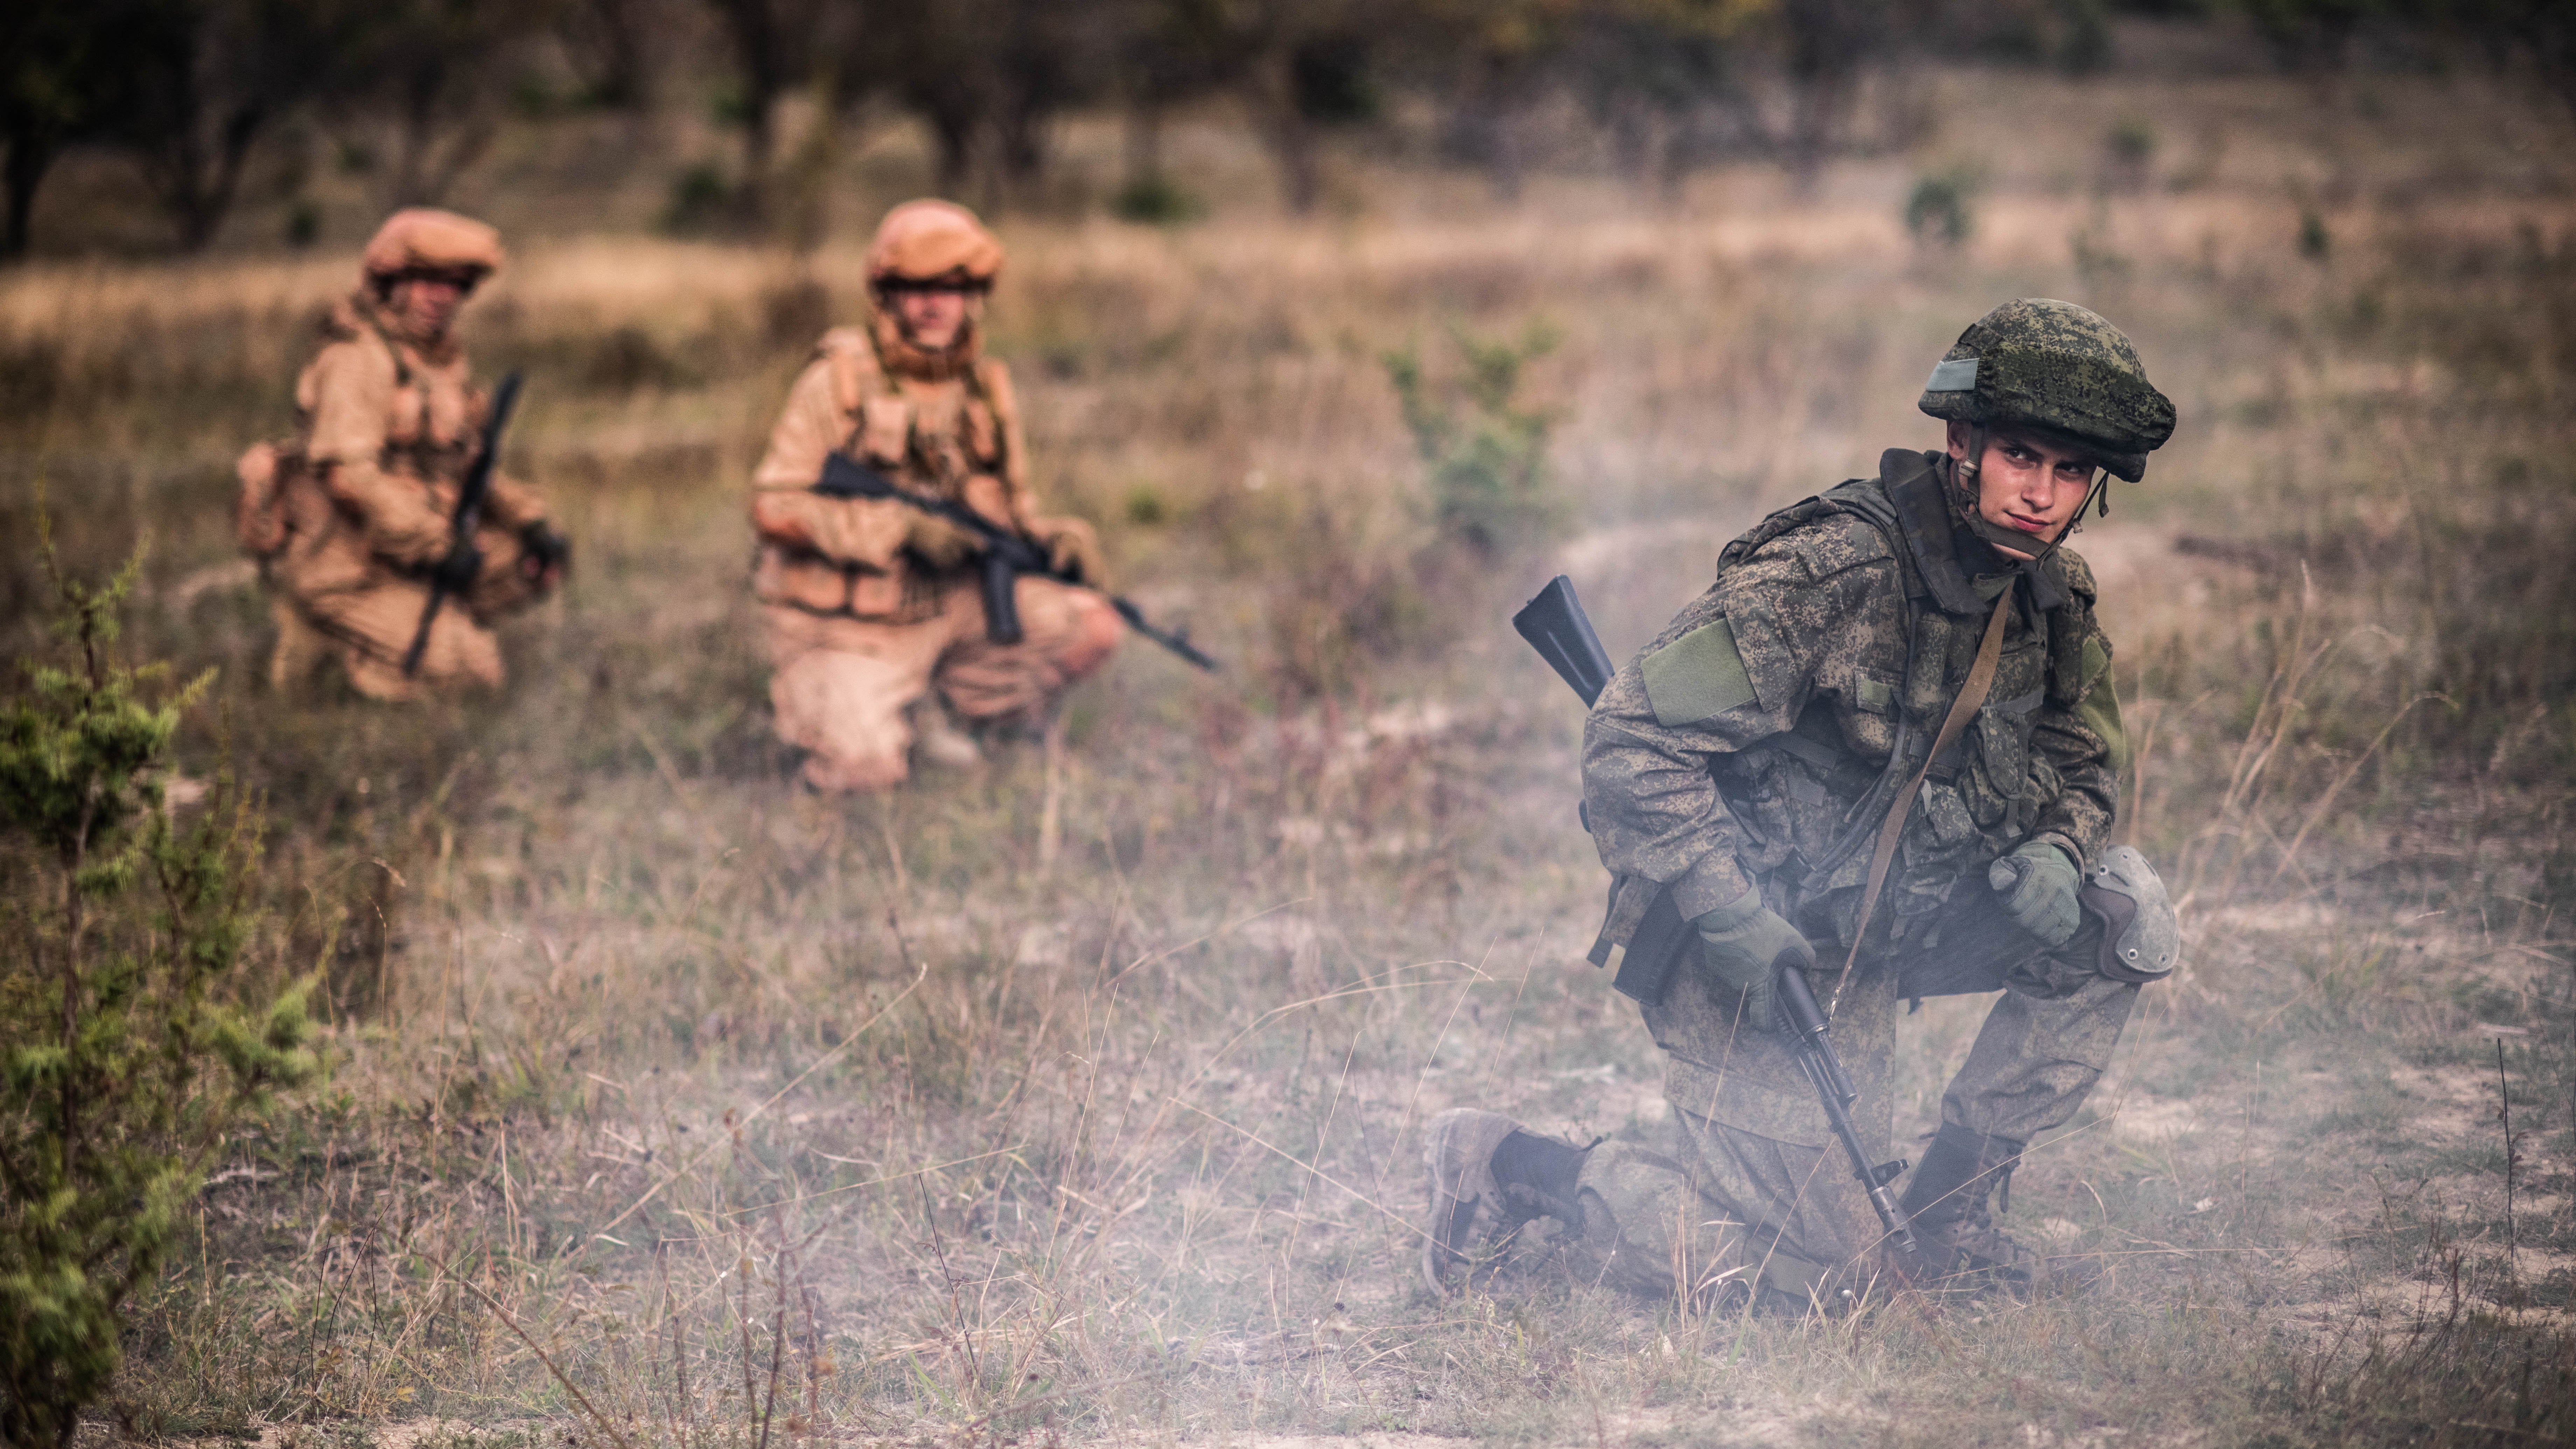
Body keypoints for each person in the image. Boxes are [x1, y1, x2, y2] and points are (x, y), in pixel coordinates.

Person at [1425, 299, 2183, 1308]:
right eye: (2019, 456)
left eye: (2071, 472)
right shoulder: (1833, 574)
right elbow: (1630, 736)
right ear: (1961, 443)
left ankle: (1948, 1211)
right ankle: (1514, 1164)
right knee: (1832, 1281)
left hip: (1893, 925)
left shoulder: (2051, 596)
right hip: (1745, 944)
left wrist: (2060, 844)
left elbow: (2085, 760)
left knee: (2123, 910)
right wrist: (1722, 905)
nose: (2041, 495)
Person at [747, 198, 1122, 792]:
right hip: (849, 626)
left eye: (953, 288)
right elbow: (774, 508)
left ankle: (946, 714)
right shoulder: (837, 381)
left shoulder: (984, 388)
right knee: (865, 769)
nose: (935, 305)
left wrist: (1053, 541)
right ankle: (855, 716)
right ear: (886, 295)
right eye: (917, 287)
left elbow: (1010, 509)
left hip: (946, 607)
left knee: (1092, 627)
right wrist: (898, 530)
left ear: (974, 296)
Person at [236, 208, 567, 701]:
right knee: (475, 673)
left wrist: (531, 521)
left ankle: (407, 632)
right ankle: (343, 653)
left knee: (526, 566)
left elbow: (465, 466)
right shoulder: (356, 358)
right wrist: (439, 546)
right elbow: (350, 480)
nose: (443, 297)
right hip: (348, 567)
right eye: (428, 281)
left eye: (456, 285)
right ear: (391, 283)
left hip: (407, 553)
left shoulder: (441, 362)